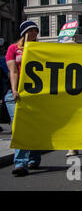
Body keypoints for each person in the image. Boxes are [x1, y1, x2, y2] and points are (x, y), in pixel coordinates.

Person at [5, 20, 41, 176]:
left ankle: (34, 158)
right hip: (16, 93)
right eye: (30, 30)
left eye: (35, 31)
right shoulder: (13, 49)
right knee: (19, 127)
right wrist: (14, 89)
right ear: (23, 33)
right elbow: (13, 71)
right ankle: (20, 163)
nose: (33, 33)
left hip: (35, 94)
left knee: (35, 127)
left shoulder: (41, 49)